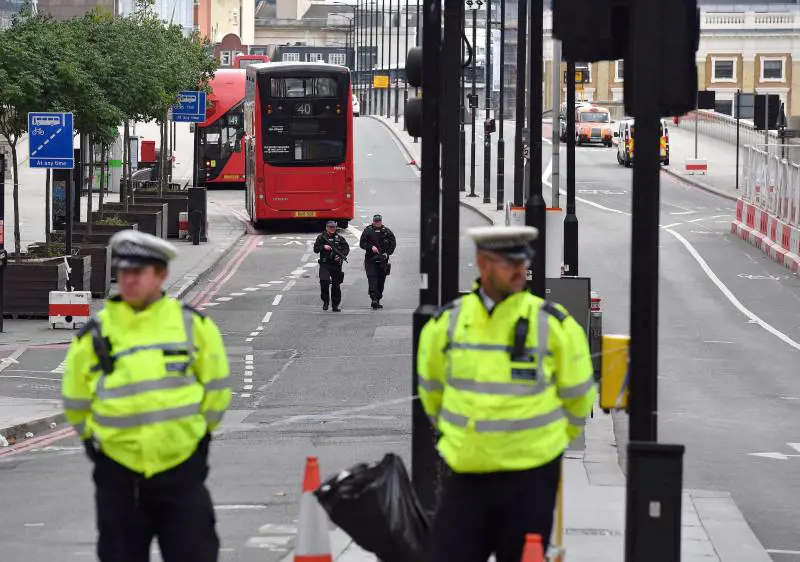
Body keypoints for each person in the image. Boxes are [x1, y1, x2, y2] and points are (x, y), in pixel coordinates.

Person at [417, 225, 596, 562]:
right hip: (465, 473)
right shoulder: (448, 323)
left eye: (523, 262)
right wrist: (453, 435)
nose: (519, 270)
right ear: (483, 264)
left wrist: (550, 443)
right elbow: (431, 391)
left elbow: (579, 396)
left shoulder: (553, 324)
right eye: (509, 263)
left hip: (530, 477)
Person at [62, 230, 231, 562]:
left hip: (181, 467)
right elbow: (75, 400)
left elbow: (216, 390)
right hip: (118, 472)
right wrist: (98, 444)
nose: (128, 280)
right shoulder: (95, 332)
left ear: (161, 275)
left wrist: (196, 440)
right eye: (123, 272)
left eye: (138, 272)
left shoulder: (192, 325)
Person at [358, 213, 396, 310]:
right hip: (370, 259)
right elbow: (362, 243)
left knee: (381, 280)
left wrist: (387, 253)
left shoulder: (387, 232)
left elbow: (393, 244)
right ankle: (373, 299)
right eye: (376, 221)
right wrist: (371, 247)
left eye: (379, 221)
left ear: (381, 221)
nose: (377, 223)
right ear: (373, 221)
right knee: (372, 278)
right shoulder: (368, 231)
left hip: (383, 260)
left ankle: (378, 298)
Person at [313, 220, 351, 311]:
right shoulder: (321, 238)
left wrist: (341, 256)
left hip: (336, 265)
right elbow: (316, 249)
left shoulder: (340, 238)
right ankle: (326, 301)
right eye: (330, 227)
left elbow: (346, 248)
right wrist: (323, 247)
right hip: (325, 264)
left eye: (334, 227)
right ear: (326, 228)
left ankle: (335, 305)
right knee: (324, 282)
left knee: (336, 285)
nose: (332, 229)